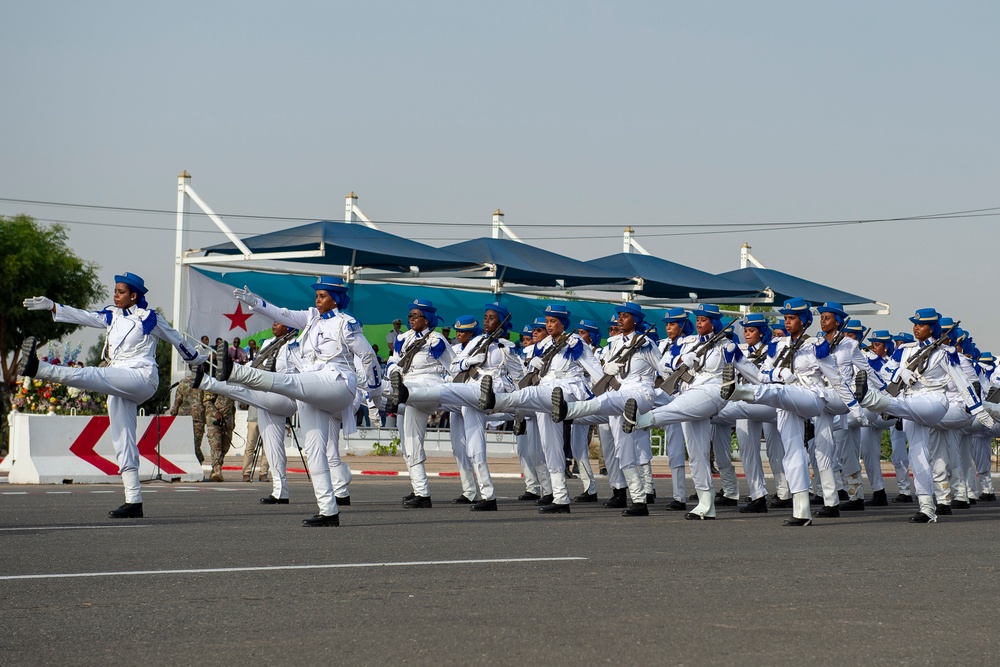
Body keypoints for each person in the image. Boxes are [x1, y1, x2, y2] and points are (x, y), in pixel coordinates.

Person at [19, 272, 207, 518]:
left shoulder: (149, 318)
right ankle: (134, 500)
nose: (115, 295)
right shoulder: (112, 315)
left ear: (134, 295)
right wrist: (52, 306)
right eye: (115, 290)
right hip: (119, 379)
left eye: (121, 292)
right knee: (122, 437)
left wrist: (196, 361)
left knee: (93, 375)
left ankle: (39, 368)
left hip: (142, 377)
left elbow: (176, 339)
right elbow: (84, 316)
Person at [222, 276, 381, 527]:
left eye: (323, 296)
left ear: (336, 298)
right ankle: (329, 511)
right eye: (316, 296)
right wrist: (255, 302)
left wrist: (376, 393)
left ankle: (238, 374)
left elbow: (368, 356)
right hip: (312, 386)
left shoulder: (346, 324)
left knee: (291, 383)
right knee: (314, 452)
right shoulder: (310, 318)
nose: (317, 300)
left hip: (337, 382)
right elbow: (281, 313)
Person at [480, 303, 603, 513]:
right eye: (547, 321)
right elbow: (531, 376)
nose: (549, 325)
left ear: (563, 323)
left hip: (567, 391)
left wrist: (600, 398)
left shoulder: (574, 342)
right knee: (550, 447)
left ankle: (496, 400)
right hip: (548, 394)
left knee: (530, 394)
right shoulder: (543, 346)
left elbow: (597, 372)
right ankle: (561, 499)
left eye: (552, 321)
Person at [385, 298, 455, 508]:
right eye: (410, 315)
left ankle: (423, 494)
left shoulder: (436, 340)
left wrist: (446, 390)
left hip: (425, 388)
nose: (411, 319)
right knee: (407, 441)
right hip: (404, 388)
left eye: (416, 316)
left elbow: (454, 367)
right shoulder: (404, 338)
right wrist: (394, 372)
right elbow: (392, 361)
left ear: (427, 320)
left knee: (413, 438)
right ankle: (417, 487)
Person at [169, 373, 207, 464]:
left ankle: (196, 463)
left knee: (186, 443)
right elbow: (207, 401)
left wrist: (173, 413)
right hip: (197, 417)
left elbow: (178, 400)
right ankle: (197, 462)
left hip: (184, 418)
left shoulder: (183, 382)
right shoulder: (204, 381)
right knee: (196, 443)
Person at [205, 389, 235, 481]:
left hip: (227, 421)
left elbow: (232, 407)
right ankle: (218, 471)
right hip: (214, 421)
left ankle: (214, 470)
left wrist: (233, 421)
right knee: (216, 446)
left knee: (225, 447)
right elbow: (207, 401)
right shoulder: (214, 385)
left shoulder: (231, 387)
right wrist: (215, 413)